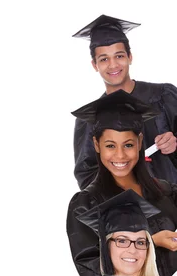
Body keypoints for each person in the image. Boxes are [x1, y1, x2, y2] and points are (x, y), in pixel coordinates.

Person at [67, 89, 177, 276]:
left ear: (140, 142)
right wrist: (150, 242)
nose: (120, 156)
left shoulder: (167, 192)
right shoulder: (86, 205)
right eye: (110, 146)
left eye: (128, 145)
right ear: (96, 144)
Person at [71, 14, 177, 189]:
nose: (113, 65)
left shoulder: (163, 96)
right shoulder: (90, 118)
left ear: (130, 57)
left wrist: (174, 147)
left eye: (119, 56)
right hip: (129, 212)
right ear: (95, 65)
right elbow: (87, 177)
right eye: (104, 59)